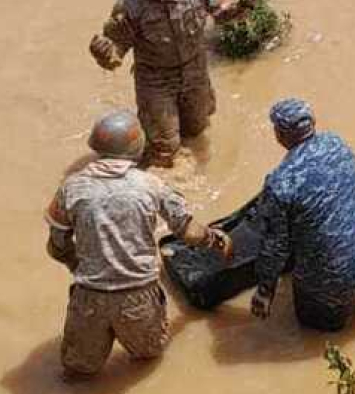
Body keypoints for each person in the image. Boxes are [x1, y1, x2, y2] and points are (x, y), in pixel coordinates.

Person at [44, 110, 232, 378]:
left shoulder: (71, 188)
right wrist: (215, 239)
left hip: (89, 296)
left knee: (77, 373)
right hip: (138, 295)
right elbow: (188, 232)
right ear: (136, 147)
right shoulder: (151, 185)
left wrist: (76, 264)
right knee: (148, 358)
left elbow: (56, 246)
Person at [88, 0, 256, 167]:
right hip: (156, 79)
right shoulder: (130, 4)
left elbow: (222, 13)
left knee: (197, 129)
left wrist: (242, 6)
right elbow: (115, 54)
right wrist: (104, 54)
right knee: (164, 147)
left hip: (194, 70)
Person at [251, 99, 355, 331]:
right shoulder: (337, 144)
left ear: (279, 135)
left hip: (331, 279)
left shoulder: (280, 183)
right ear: (313, 124)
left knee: (319, 334)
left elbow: (275, 249)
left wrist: (265, 290)